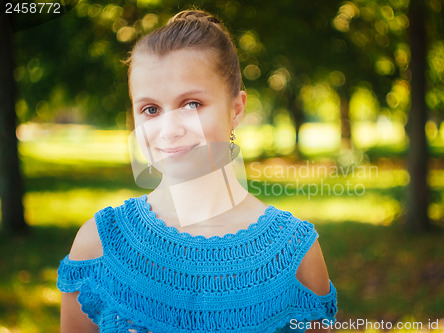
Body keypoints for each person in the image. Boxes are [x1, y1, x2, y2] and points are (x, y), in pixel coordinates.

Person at [58, 9, 337, 333]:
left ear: (236, 109)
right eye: (150, 109)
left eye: (191, 104)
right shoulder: (99, 245)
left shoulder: (294, 252)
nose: (169, 129)